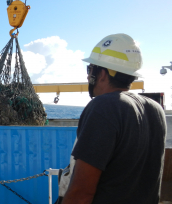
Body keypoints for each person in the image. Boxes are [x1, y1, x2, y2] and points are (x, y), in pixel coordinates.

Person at [61, 34, 166, 204]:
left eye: (90, 69)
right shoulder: (155, 109)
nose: (88, 77)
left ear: (102, 73)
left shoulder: (105, 106)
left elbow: (81, 193)